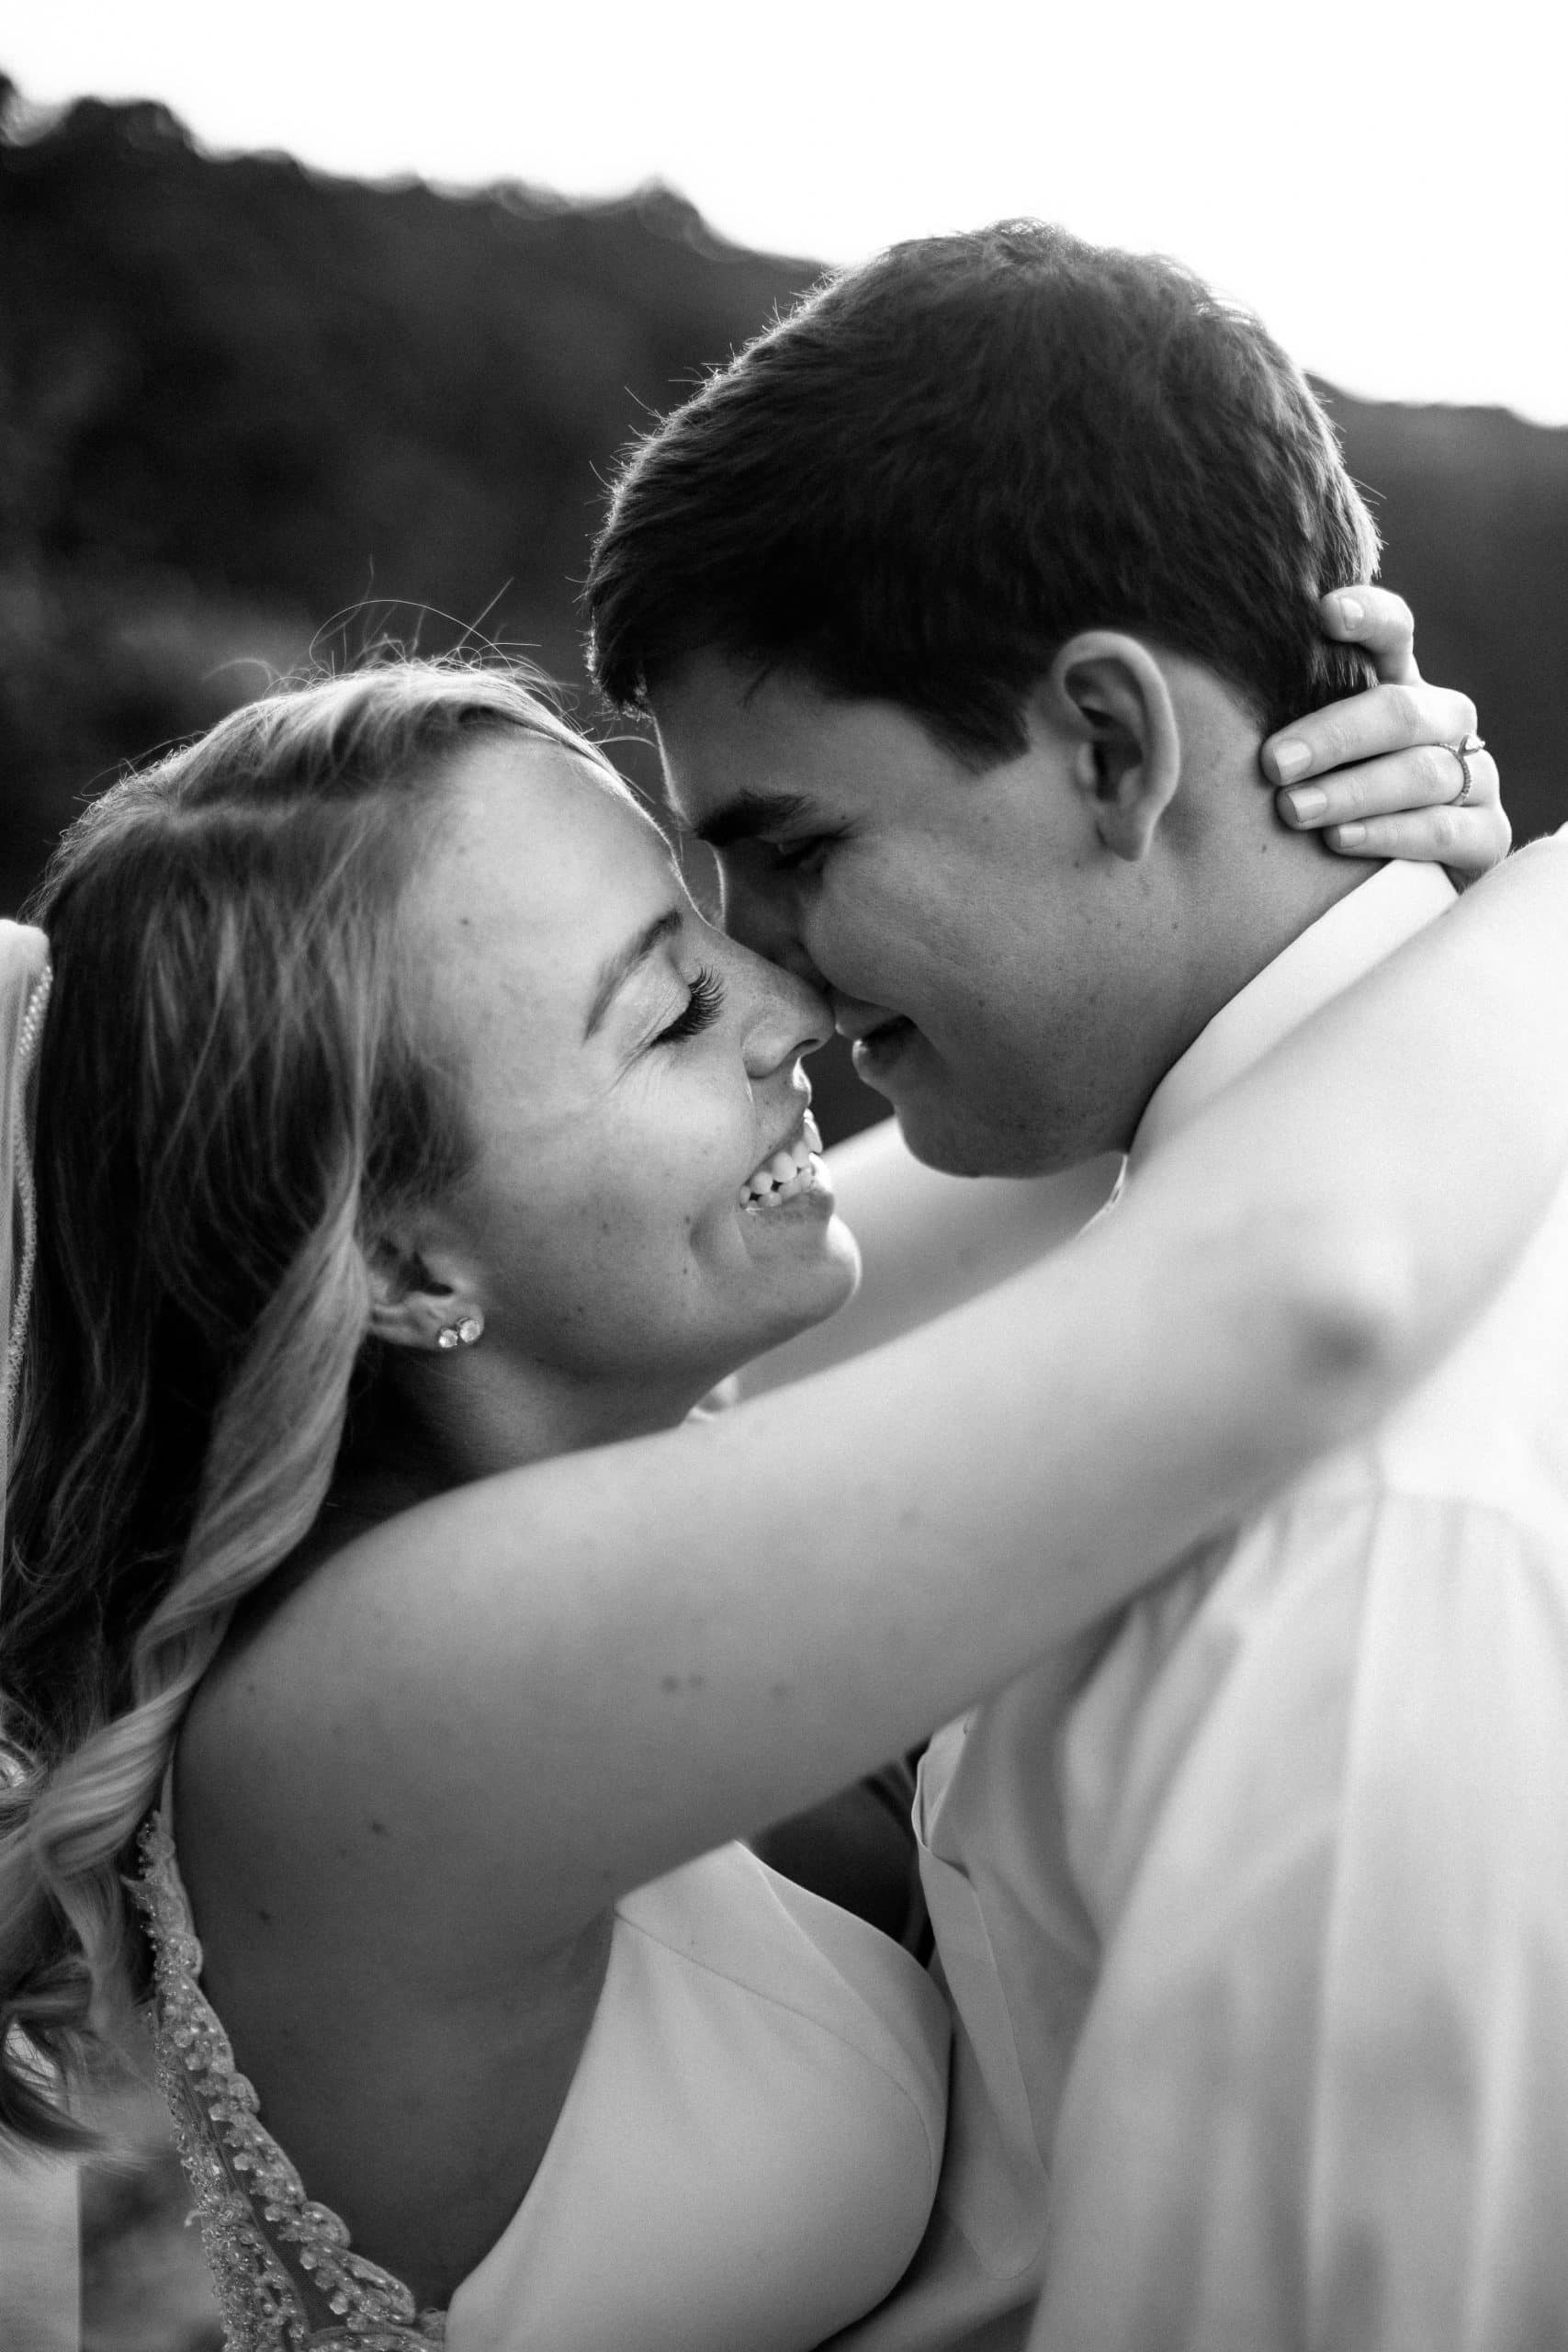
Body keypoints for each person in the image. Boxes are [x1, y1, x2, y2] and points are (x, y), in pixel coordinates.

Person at [0, 646, 1554, 2352]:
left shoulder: (640, 1417)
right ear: (394, 1253)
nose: (793, 1005)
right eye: (669, 1008)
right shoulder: (373, 1702)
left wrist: (1324, 842)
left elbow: (1132, 1083)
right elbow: (1296, 1286)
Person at [585, 219, 1568, 2349]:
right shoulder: (1167, 1213)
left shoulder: (1356, 1548)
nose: (752, 966)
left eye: (798, 848)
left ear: (1112, 746)